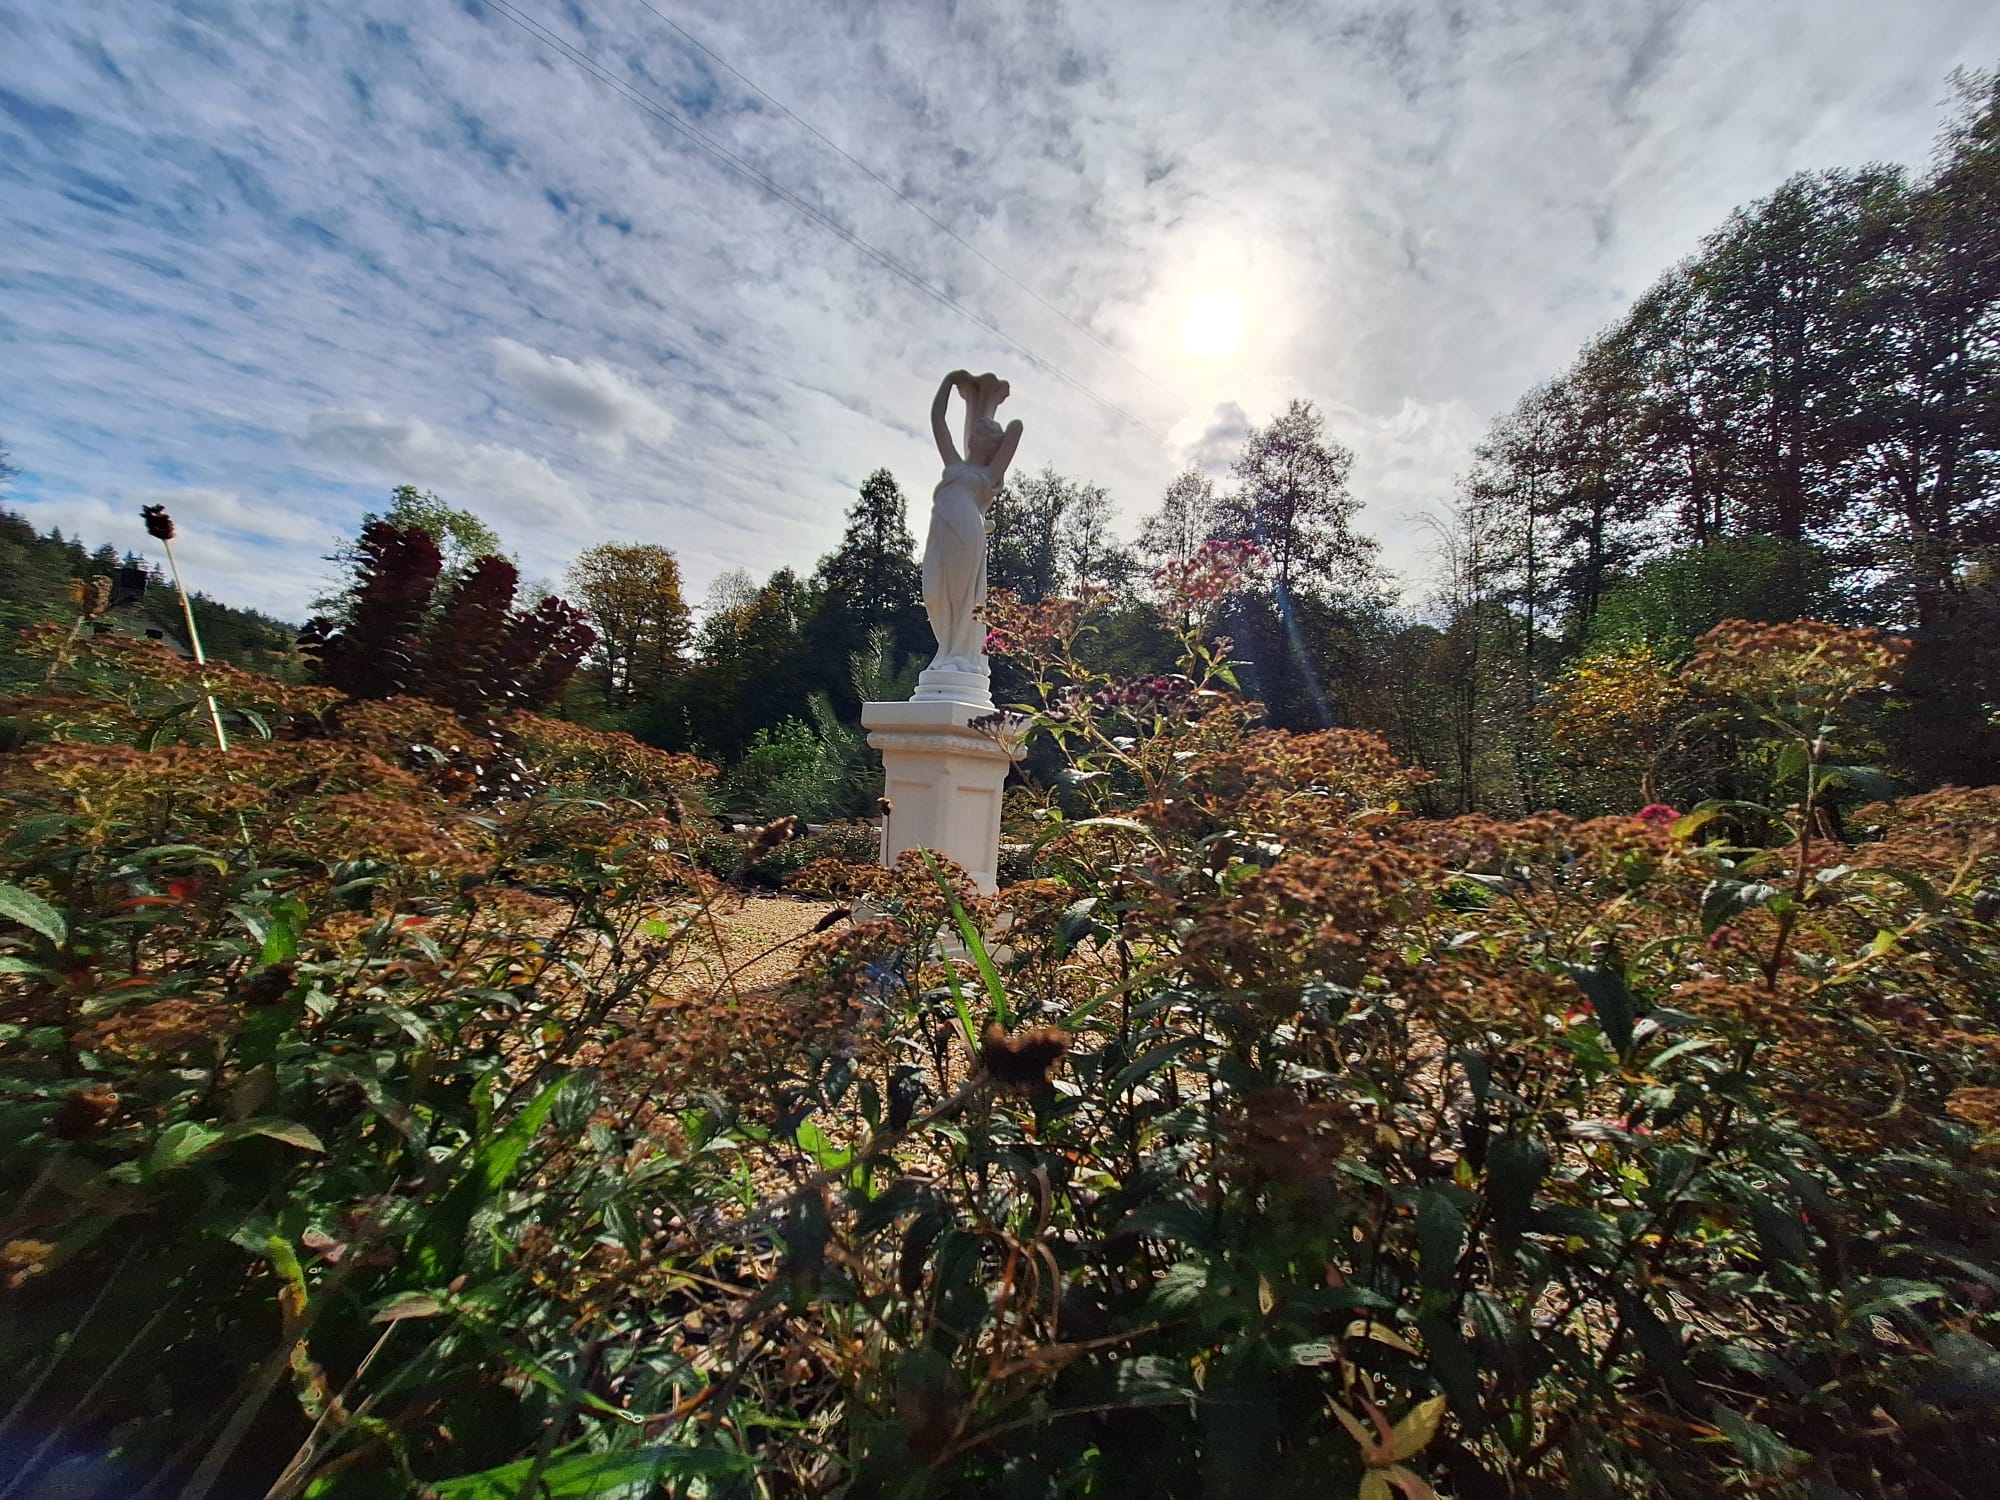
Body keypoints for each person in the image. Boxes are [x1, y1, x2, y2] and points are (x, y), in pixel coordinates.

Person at [922, 370, 1023, 675]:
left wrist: (996, 420)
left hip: (967, 528)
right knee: (933, 592)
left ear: (990, 445)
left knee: (961, 593)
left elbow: (1015, 430)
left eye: (980, 433)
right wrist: (949, 381)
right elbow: (938, 422)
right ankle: (946, 650)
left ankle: (961, 656)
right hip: (941, 527)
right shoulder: (954, 463)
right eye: (974, 431)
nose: (973, 435)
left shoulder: (989, 475)